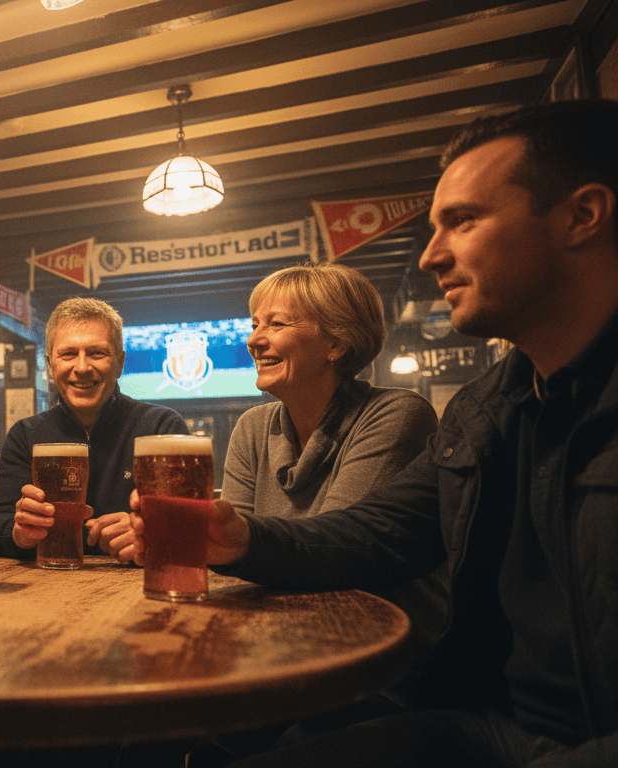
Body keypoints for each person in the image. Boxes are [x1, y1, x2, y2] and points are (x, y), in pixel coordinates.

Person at [132, 99, 618, 767]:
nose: (430, 256)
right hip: (480, 719)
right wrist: (241, 537)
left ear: (581, 217)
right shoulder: (493, 407)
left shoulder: (409, 413)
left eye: (464, 221)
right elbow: (377, 532)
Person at [193, 262, 444, 765]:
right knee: (181, 738)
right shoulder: (252, 426)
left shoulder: (397, 415)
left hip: (382, 672)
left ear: (338, 343)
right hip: (277, 658)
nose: (254, 339)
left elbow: (334, 559)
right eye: (254, 324)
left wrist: (237, 546)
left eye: (276, 324)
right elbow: (230, 562)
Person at [0, 297, 187, 563]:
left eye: (97, 353)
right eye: (68, 354)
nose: (82, 368)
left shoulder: (162, 427)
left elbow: (187, 524)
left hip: (141, 591)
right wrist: (19, 532)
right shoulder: (26, 434)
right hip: (43, 591)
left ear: (120, 363)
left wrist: (152, 533)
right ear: (49, 365)